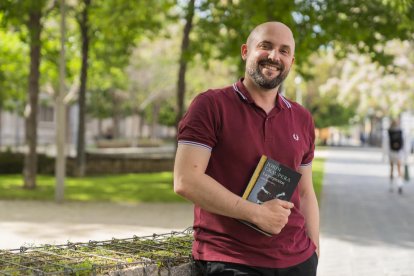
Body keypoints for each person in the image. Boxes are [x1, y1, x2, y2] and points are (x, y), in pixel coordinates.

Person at [174, 21, 319, 276]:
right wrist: (256, 214)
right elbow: (186, 180)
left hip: (298, 261)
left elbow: (306, 193)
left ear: (291, 61)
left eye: (284, 51)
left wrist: (315, 249)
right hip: (231, 260)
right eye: (266, 46)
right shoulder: (210, 105)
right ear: (245, 51)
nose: (274, 56)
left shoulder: (302, 118)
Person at [387, 119, 405, 194]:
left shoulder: (389, 131)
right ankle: (399, 185)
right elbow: (404, 143)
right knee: (399, 169)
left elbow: (386, 144)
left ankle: (391, 185)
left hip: (392, 152)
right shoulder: (400, 131)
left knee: (392, 169)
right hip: (398, 153)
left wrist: (385, 155)